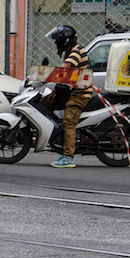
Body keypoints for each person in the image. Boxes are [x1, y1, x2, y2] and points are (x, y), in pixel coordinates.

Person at [46, 24, 90, 168]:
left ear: (64, 40)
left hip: (80, 94)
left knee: (69, 122)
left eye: (57, 40)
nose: (55, 43)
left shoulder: (76, 52)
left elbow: (65, 68)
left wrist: (46, 75)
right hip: (73, 91)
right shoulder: (71, 51)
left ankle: (68, 157)